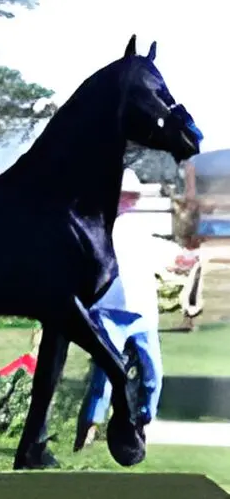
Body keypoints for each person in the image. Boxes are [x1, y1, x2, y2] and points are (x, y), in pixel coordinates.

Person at [74, 167, 163, 451]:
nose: (128, 200)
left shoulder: (143, 230)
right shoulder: (96, 227)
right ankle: (87, 430)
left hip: (144, 312)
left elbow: (165, 256)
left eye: (131, 196)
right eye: (123, 195)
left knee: (154, 374)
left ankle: (140, 424)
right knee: (106, 377)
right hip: (109, 312)